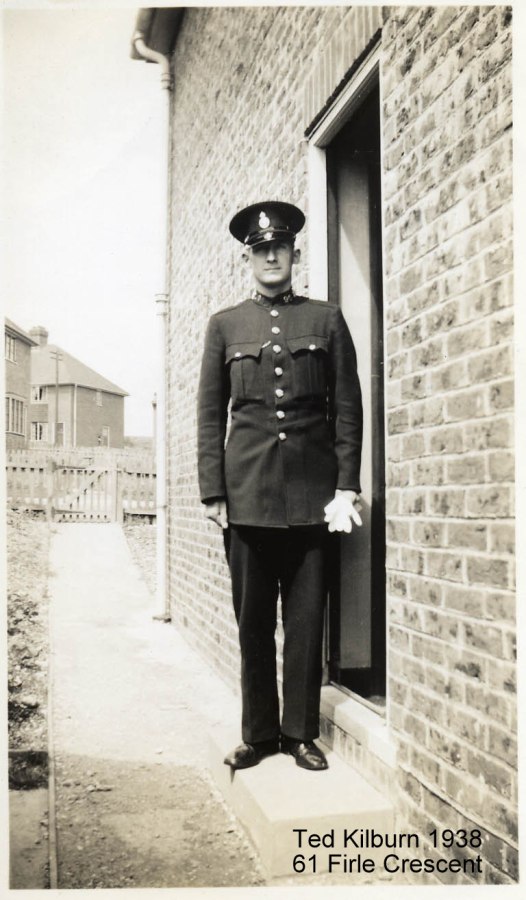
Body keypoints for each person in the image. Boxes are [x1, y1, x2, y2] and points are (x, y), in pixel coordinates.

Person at [197, 201, 363, 771]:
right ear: (249, 257)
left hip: (313, 503)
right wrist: (213, 493)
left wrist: (346, 485)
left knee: (306, 620)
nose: (272, 256)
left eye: (281, 248)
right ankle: (259, 735)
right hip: (246, 500)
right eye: (261, 249)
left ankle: (299, 734)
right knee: (253, 624)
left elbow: (346, 409)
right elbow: (209, 415)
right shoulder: (225, 325)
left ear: (295, 254)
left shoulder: (326, 319)